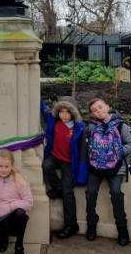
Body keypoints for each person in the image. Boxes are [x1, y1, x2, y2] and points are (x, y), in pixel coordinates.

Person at [85, 98, 131, 246]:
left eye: (100, 107)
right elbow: (84, 146)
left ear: (107, 107)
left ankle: (122, 229)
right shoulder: (91, 127)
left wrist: (114, 152)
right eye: (94, 110)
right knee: (90, 192)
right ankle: (91, 225)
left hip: (116, 166)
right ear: (92, 114)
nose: (98, 111)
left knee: (115, 193)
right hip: (96, 167)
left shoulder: (121, 125)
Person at [40, 96, 88, 239]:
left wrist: (82, 170)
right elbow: (44, 109)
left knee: (68, 192)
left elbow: (83, 151)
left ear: (73, 113)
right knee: (46, 165)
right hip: (55, 156)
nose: (64, 115)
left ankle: (71, 224)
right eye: (61, 111)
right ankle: (58, 188)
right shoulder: (54, 121)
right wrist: (37, 98)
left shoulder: (79, 127)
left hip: (69, 162)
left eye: (67, 112)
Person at [0, 149, 33, 254]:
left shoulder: (19, 180)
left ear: (12, 166)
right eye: (1, 166)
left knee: (20, 213)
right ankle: (3, 239)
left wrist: (10, 206)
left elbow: (28, 202)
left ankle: (19, 246)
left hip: (11, 220)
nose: (3, 170)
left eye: (6, 166)